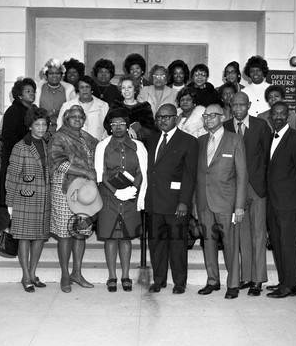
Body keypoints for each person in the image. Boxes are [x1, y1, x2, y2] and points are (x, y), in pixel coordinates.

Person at [145, 104, 198, 294]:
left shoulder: (188, 141)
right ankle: (159, 280)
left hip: (177, 204)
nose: (163, 120)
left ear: (175, 118)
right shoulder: (150, 140)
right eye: (159, 117)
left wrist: (184, 201)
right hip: (154, 202)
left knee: (177, 245)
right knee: (156, 245)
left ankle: (179, 282)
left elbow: (190, 175)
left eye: (167, 117)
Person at [196, 104, 248, 299]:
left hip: (227, 203)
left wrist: (239, 206)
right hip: (204, 202)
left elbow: (242, 176)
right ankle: (212, 281)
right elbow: (199, 175)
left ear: (223, 117)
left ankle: (233, 283)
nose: (208, 119)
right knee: (208, 242)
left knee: (230, 244)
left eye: (213, 115)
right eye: (206, 116)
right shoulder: (201, 141)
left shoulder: (235, 140)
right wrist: (195, 203)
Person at [94, 107, 148, 292]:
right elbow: (101, 174)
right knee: (110, 237)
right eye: (114, 124)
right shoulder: (102, 146)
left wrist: (133, 189)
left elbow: (142, 171)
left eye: (122, 124)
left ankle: (125, 275)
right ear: (109, 126)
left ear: (127, 126)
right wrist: (116, 192)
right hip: (109, 197)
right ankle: (112, 276)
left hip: (131, 197)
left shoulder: (138, 146)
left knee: (125, 237)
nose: (118, 127)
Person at [223, 92, 271, 296]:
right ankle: (247, 277)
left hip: (256, 188)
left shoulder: (261, 126)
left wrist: (265, 184)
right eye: (234, 105)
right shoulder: (225, 127)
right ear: (230, 106)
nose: (238, 109)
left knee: (258, 234)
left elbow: (269, 156)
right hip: (234, 190)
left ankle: (258, 280)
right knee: (241, 235)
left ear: (249, 105)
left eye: (242, 105)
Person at [48, 106, 98, 293]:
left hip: (85, 191)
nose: (77, 119)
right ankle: (65, 275)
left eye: (80, 117)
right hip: (65, 189)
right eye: (73, 117)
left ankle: (77, 272)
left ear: (84, 119)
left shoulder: (88, 138)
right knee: (65, 233)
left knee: (80, 230)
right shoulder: (59, 137)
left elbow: (100, 155)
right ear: (66, 119)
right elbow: (58, 162)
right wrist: (85, 171)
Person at [266, 102, 296, 299]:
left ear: (288, 116)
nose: (278, 117)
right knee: (277, 243)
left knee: (288, 244)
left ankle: (290, 285)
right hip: (272, 202)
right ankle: (283, 281)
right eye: (275, 114)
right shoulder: (269, 137)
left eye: (282, 114)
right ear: (270, 116)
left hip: (289, 203)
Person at [5, 107, 51, 292]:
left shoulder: (48, 144)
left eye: (44, 124)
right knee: (24, 238)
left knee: (40, 237)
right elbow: (12, 175)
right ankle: (25, 276)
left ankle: (32, 273)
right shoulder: (20, 146)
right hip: (25, 199)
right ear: (30, 126)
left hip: (44, 198)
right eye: (37, 124)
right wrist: (10, 202)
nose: (41, 128)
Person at [0, 77, 37, 206]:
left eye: (33, 91)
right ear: (20, 95)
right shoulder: (13, 111)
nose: (32, 93)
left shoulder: (35, 110)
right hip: (17, 158)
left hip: (34, 158)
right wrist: (24, 152)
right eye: (28, 91)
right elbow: (9, 137)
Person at [56, 75, 109, 140]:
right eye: (81, 87)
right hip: (72, 144)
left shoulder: (103, 105)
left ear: (91, 88)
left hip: (96, 143)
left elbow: (107, 129)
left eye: (87, 87)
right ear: (78, 89)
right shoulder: (67, 105)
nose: (85, 89)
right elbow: (60, 126)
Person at [34, 58, 77, 135]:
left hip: (62, 130)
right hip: (42, 129)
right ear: (46, 75)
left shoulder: (68, 90)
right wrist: (46, 115)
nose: (54, 76)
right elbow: (34, 110)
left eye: (57, 73)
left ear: (61, 75)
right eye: (51, 73)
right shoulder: (39, 89)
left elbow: (72, 111)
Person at [108, 75, 156, 142]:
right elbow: (108, 124)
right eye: (123, 88)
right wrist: (127, 128)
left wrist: (134, 127)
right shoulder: (115, 106)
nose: (126, 90)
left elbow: (150, 128)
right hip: (119, 143)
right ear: (121, 91)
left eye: (129, 87)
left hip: (140, 143)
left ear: (135, 90)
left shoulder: (144, 107)